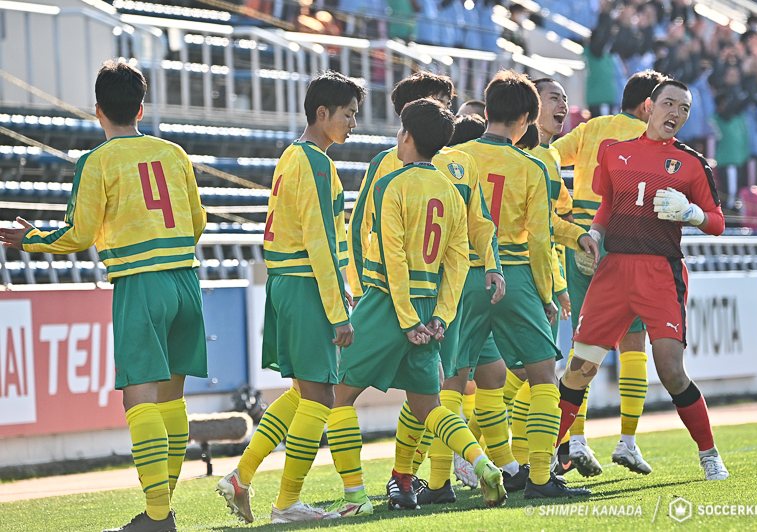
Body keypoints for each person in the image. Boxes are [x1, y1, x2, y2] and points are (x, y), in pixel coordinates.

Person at [0, 60, 207, 532]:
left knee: (140, 400)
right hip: (186, 281)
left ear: (97, 110)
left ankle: (157, 519)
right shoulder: (173, 153)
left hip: (140, 283)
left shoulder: (97, 161)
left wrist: (29, 239)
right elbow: (198, 221)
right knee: (173, 402)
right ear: (141, 106)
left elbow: (78, 234)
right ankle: (162, 512)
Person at [327, 98, 507, 515]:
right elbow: (459, 259)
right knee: (429, 405)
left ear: (405, 136)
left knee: (337, 394)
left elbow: (392, 255)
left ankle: (356, 497)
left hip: (389, 304)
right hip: (431, 308)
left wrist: (407, 320)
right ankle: (483, 465)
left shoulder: (394, 183)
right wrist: (440, 316)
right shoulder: (450, 188)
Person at [560, 79, 729, 482]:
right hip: (613, 271)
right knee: (579, 368)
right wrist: (596, 235)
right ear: (649, 107)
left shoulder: (692, 163)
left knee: (670, 369)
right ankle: (548, 457)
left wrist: (692, 213)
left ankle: (709, 455)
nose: (675, 113)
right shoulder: (614, 151)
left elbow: (718, 222)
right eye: (669, 104)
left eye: (684, 109)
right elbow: (606, 205)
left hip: (660, 272)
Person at [215, 71, 365, 524]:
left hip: (285, 282)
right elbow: (320, 240)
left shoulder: (291, 155)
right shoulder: (317, 162)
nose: (352, 124)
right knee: (321, 396)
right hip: (305, 286)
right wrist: (339, 310)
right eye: (348, 114)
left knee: (302, 392)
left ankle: (241, 477)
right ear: (322, 113)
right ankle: (286, 504)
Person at [456, 70, 599, 499]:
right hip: (514, 274)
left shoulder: (454, 157)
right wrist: (550, 290)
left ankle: (436, 481)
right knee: (542, 378)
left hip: (463, 274)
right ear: (525, 118)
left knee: (451, 383)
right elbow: (539, 240)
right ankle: (540, 478)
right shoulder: (530, 166)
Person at [552, 69, 666, 477]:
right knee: (633, 341)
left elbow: (548, 158)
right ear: (647, 106)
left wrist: (562, 205)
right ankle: (628, 443)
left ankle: (576, 440)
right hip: (624, 241)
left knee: (584, 343)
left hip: (581, 240)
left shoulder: (591, 129)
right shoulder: (655, 141)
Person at [505, 77, 573, 468]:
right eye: (553, 97)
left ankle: (517, 461)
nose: (561, 104)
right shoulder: (533, 159)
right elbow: (541, 230)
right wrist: (554, 287)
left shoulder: (550, 157)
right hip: (523, 276)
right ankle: (529, 465)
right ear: (532, 108)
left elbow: (551, 220)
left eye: (565, 98)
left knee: (519, 375)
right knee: (535, 373)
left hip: (527, 273)